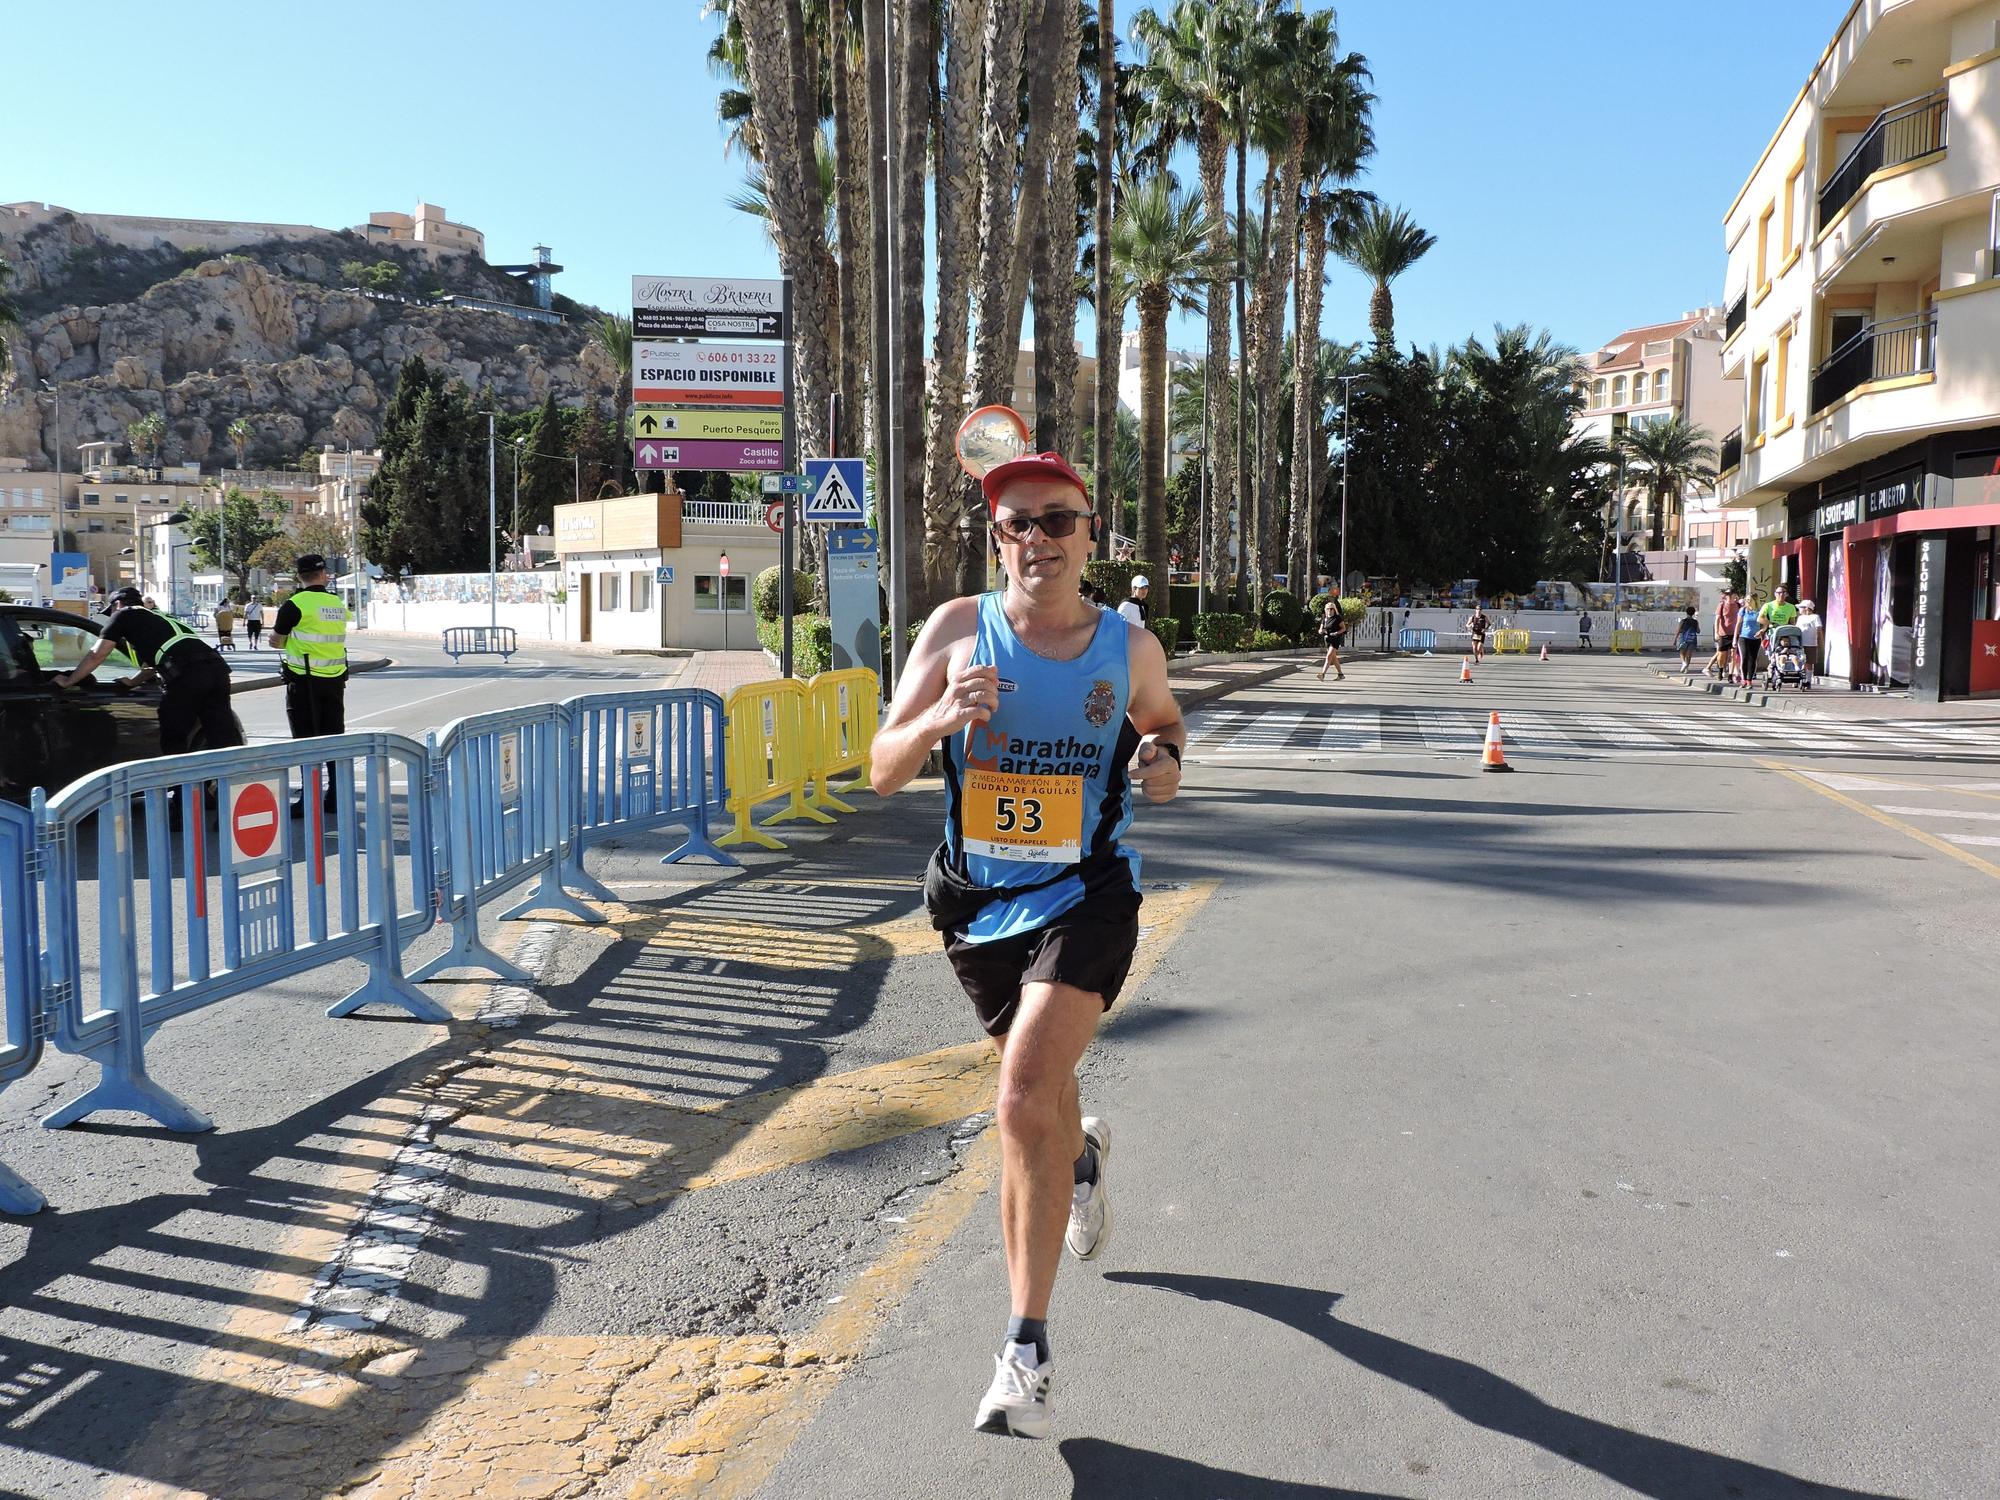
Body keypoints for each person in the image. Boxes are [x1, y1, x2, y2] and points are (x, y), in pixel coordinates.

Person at [870, 447, 1184, 1440]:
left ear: (1091, 533)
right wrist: (934, 716)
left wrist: (1161, 760)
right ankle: (1081, 1163)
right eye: (1018, 524)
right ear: (995, 537)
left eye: (1058, 521)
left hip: (1086, 892)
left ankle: (1024, 1343)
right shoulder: (958, 632)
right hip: (974, 906)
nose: (1038, 539)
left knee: (1015, 1100)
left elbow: (1164, 724)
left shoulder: (1125, 647)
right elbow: (880, 768)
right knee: (1040, 1092)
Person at [51, 588, 243, 820]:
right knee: (221, 739)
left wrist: (69, 680)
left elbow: (96, 654)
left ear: (118, 604)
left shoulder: (124, 614)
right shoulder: (162, 618)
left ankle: (182, 809)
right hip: (217, 671)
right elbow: (160, 660)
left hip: (187, 676)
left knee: (174, 739)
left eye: (111, 609)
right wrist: (133, 681)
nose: (111, 614)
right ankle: (232, 807)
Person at [270, 555, 350, 814]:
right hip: (335, 680)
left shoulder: (294, 605)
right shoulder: (337, 603)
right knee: (334, 740)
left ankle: (309, 800)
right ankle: (336, 798)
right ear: (324, 574)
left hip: (304, 681)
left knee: (305, 741)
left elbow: (277, 641)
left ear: (299, 576)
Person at [1709, 586, 1741, 680]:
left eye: (1733, 594)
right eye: (1729, 595)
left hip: (1734, 633)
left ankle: (1730, 675)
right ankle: (1721, 669)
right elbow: (1717, 619)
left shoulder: (1738, 605)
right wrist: (1716, 632)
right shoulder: (1721, 605)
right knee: (1721, 655)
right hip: (1723, 633)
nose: (1731, 596)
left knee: (1733, 654)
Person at [1736, 592, 1765, 683]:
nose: (1747, 601)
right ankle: (1743, 678)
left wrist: (1761, 631)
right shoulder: (1743, 610)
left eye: (1749, 600)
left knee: (1752, 658)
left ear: (1755, 601)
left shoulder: (1759, 611)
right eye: (1746, 599)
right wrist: (1735, 638)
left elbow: (1765, 624)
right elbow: (1738, 624)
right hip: (1743, 637)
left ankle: (1749, 680)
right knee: (1744, 657)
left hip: (1755, 638)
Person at [1316, 598, 1347, 681]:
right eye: (1328, 609)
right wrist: (1321, 631)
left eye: (1331, 608)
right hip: (1327, 639)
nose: (1330, 610)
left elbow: (1343, 628)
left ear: (1334, 609)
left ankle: (1322, 674)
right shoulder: (1325, 619)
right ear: (1325, 610)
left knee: (1329, 656)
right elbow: (1320, 629)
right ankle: (1340, 674)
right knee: (1333, 658)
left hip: (1335, 639)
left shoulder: (1337, 618)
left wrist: (1337, 633)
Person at [1797, 597, 1824, 674]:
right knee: (1800, 661)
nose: (1799, 609)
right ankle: (1800, 678)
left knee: (1809, 662)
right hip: (1800, 643)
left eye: (1801, 607)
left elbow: (1819, 630)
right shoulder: (1800, 618)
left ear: (1807, 608)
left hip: (1811, 643)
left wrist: (1821, 642)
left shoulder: (1815, 617)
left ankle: (1808, 680)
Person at [1674, 605, 1700, 671]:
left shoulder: (1683, 621)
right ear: (1693, 613)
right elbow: (1698, 631)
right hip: (1693, 639)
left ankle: (1683, 663)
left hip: (1684, 639)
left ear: (1686, 612)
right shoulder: (1695, 622)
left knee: (1682, 652)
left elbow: (1678, 630)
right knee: (1689, 654)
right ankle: (1687, 668)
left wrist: (1675, 639)